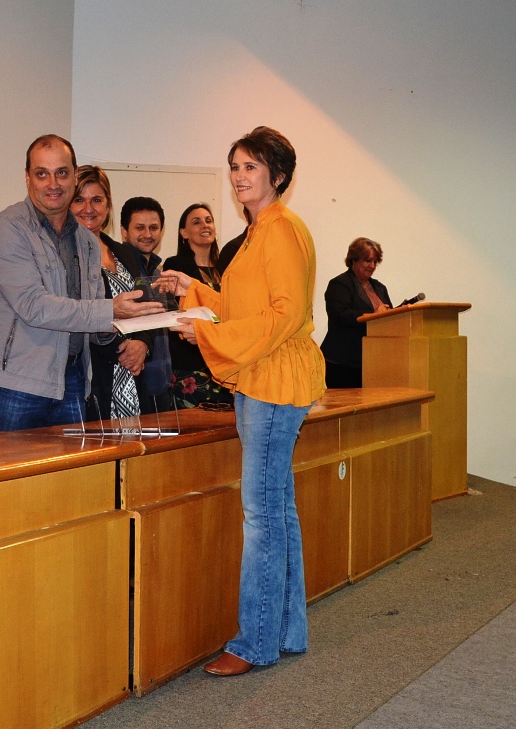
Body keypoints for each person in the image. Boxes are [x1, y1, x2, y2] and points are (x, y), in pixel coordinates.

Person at [161, 126, 326, 676]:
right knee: (278, 511)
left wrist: (207, 334)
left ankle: (255, 642)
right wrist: (192, 292)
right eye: (234, 166)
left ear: (277, 175)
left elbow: (283, 316)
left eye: (250, 166)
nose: (239, 176)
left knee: (262, 516)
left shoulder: (279, 230)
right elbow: (242, 306)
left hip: (273, 382)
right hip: (265, 378)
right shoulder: (260, 231)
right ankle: (286, 631)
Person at [0, 135, 164, 433]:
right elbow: (34, 307)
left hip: (72, 379)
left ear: (74, 176)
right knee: (9, 466)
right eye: (42, 174)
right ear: (28, 178)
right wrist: (111, 311)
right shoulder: (7, 230)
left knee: (70, 466)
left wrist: (130, 329)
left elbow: (90, 314)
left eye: (61, 173)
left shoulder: (86, 241)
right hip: (14, 384)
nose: (53, 183)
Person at [69, 166, 163, 420]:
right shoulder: (65, 256)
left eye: (97, 200)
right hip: (93, 375)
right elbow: (73, 313)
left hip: (133, 375)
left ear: (108, 204)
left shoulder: (125, 253)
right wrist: (124, 350)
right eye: (79, 200)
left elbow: (147, 307)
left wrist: (142, 343)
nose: (88, 208)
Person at [162, 203, 232, 408]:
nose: (205, 225)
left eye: (208, 220)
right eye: (196, 222)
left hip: (224, 363)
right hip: (191, 364)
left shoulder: (227, 268)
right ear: (184, 233)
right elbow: (180, 314)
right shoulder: (176, 265)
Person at [320, 237, 393, 388]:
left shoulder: (379, 287)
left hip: (373, 361)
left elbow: (387, 316)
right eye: (367, 261)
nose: (372, 266)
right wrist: (373, 314)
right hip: (343, 362)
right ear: (353, 260)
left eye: (375, 262)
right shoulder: (339, 284)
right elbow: (340, 315)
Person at [120, 196, 165, 277]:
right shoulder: (116, 269)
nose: (148, 235)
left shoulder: (158, 275)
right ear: (124, 231)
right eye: (140, 228)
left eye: (153, 228)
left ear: (161, 231)